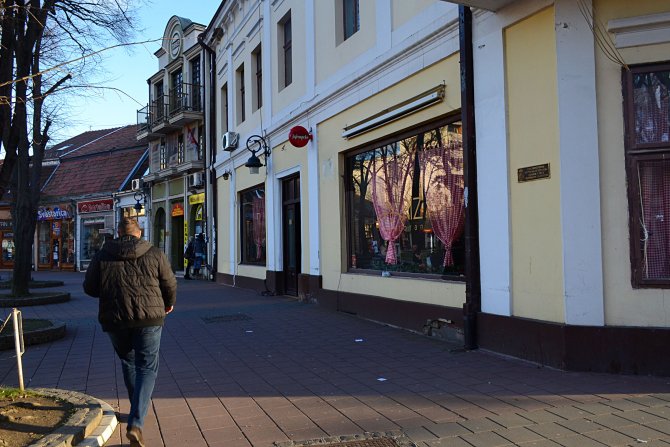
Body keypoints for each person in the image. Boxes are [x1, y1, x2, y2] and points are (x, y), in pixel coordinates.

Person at [83, 218, 176, 447]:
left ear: (118, 232)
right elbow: (169, 283)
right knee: (147, 367)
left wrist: (110, 292)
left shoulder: (103, 254)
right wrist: (169, 302)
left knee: (129, 362)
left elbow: (89, 287)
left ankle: (137, 410)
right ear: (139, 232)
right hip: (150, 318)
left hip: (116, 318)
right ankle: (136, 421)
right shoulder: (154, 253)